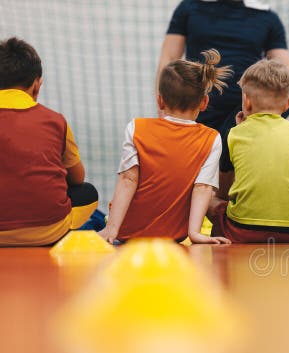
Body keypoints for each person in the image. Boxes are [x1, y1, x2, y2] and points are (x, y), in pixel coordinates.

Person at [158, 0, 289, 195]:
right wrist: (166, 110)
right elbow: (169, 59)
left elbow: (287, 71)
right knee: (196, 188)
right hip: (198, 110)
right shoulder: (189, 8)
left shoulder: (267, 17)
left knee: (241, 189)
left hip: (249, 113)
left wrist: (270, 98)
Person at [98, 49, 232, 244]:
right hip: (173, 236)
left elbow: (128, 179)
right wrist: (195, 234)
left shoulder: (136, 128)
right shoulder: (212, 138)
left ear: (160, 100)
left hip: (129, 233)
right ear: (204, 102)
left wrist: (111, 229)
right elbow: (202, 188)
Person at [208, 59, 289, 243]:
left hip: (240, 232)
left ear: (246, 101)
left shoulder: (233, 135)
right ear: (287, 103)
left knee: (209, 199)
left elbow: (223, 194)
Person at [0, 37, 99, 247]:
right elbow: (78, 178)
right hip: (48, 231)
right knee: (88, 193)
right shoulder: (55, 121)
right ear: (37, 85)